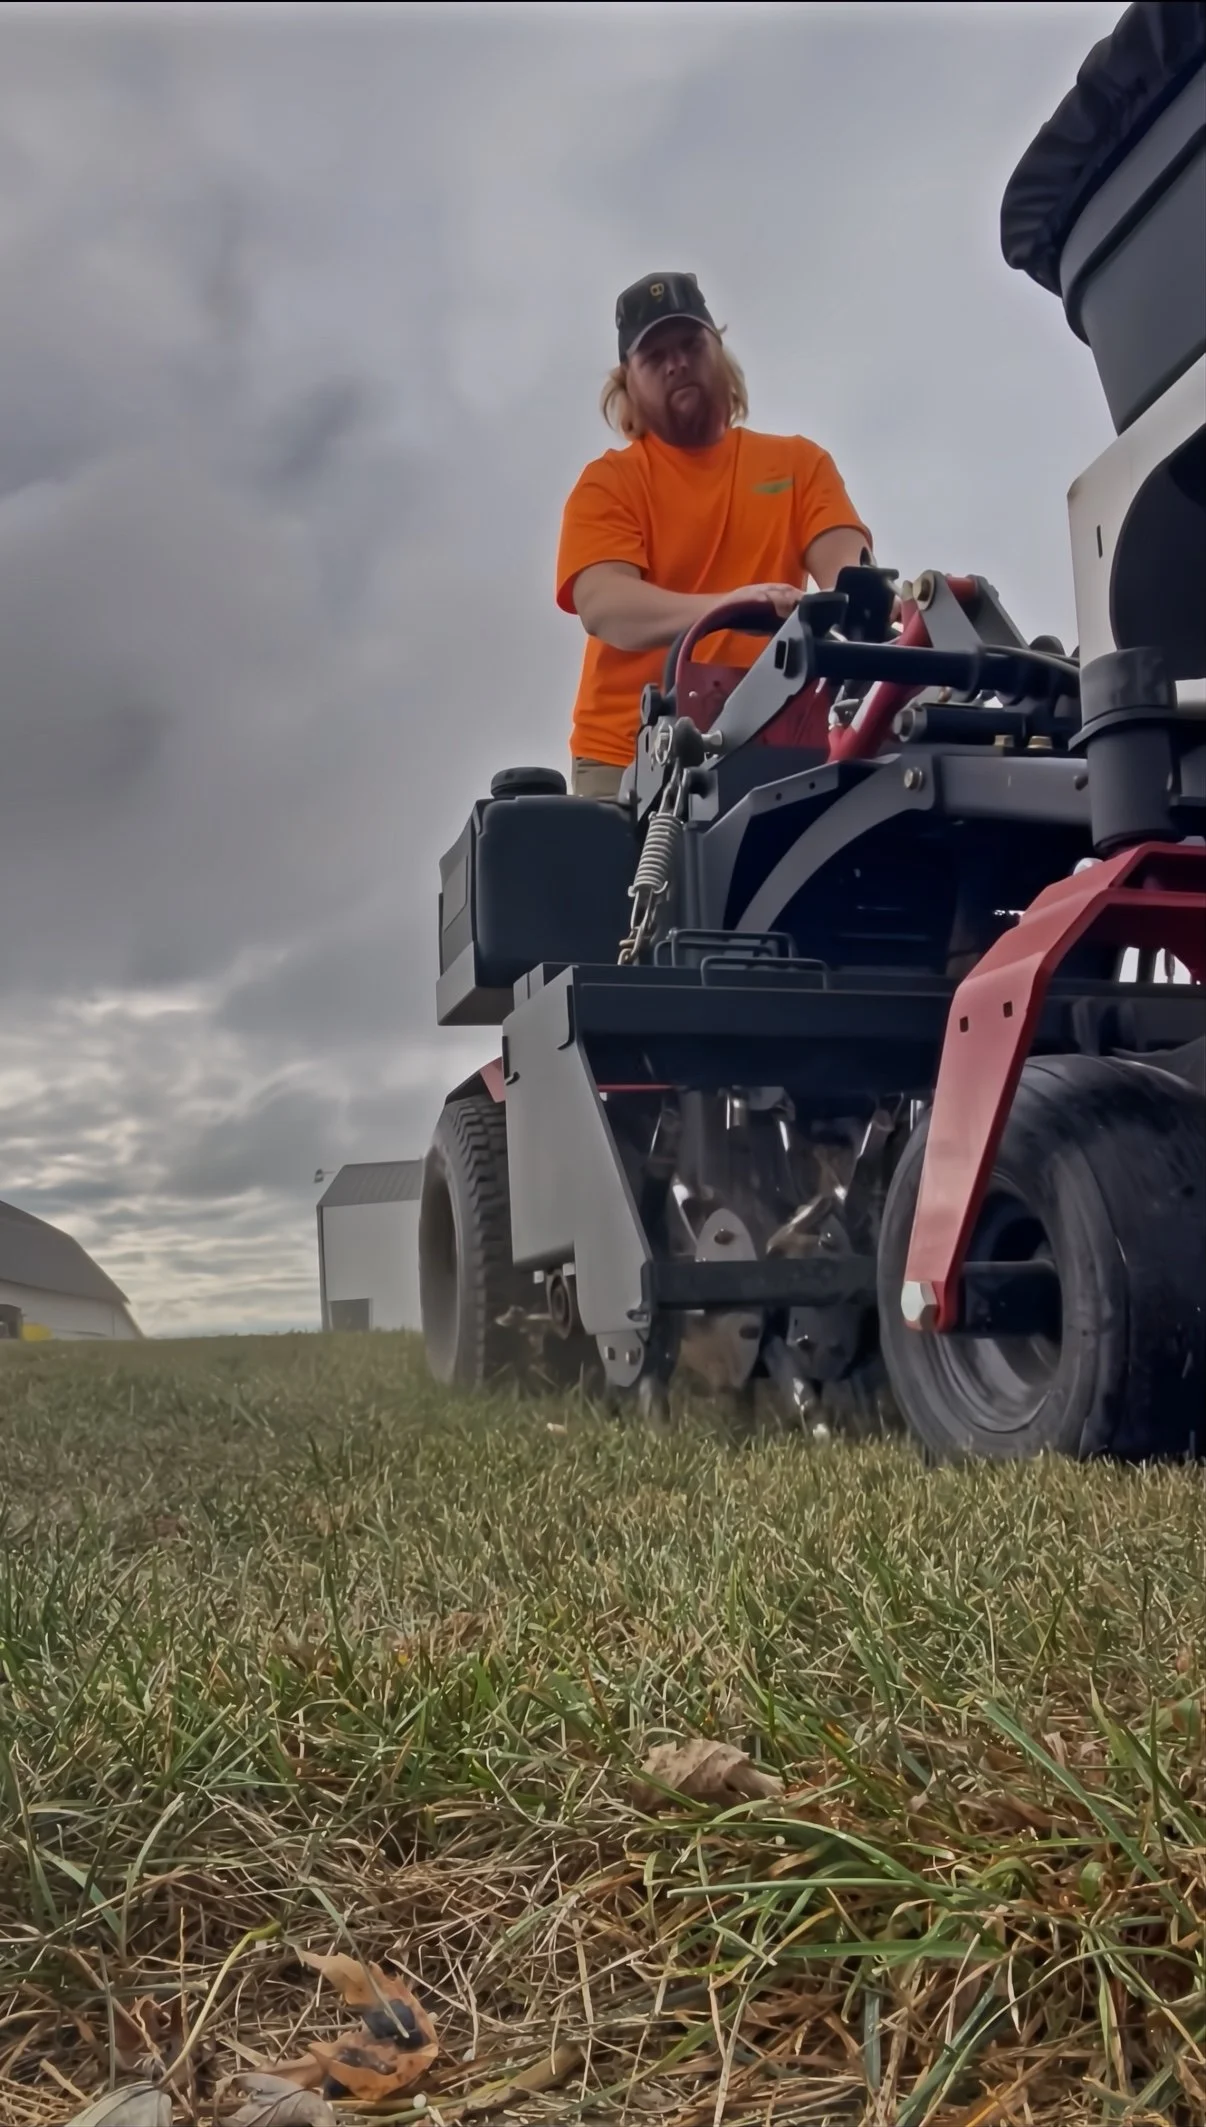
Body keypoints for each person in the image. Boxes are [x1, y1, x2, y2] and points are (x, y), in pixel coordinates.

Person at [555, 271, 875, 799]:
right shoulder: (609, 483)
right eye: (653, 357)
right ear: (626, 383)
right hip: (625, 759)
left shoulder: (799, 463)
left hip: (771, 745)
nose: (676, 363)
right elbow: (604, 605)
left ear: (718, 351)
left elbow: (850, 577)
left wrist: (891, 608)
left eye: (689, 344)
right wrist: (731, 604)